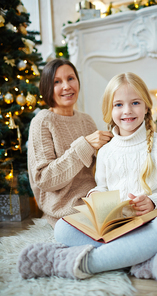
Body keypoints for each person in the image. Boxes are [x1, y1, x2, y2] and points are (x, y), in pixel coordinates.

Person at [19, 66, 157, 295]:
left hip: (149, 220)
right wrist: (95, 195)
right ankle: (149, 259)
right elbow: (97, 184)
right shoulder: (103, 148)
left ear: (147, 105)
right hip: (113, 225)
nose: (127, 110)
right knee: (63, 229)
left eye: (135, 103)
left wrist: (154, 201)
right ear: (110, 110)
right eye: (118, 105)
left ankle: (81, 263)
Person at [27, 58, 113, 228]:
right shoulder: (42, 121)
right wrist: (85, 145)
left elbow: (99, 170)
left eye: (71, 78)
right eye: (57, 82)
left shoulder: (86, 121)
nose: (66, 86)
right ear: (47, 88)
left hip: (95, 200)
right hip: (63, 210)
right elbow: (45, 180)